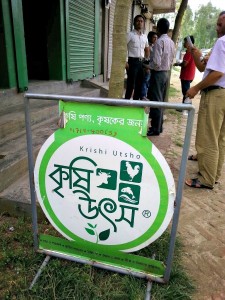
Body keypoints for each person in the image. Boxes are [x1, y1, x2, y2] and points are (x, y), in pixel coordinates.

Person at [185, 11, 225, 189]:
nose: (217, 29)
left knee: (208, 137)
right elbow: (204, 67)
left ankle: (206, 179)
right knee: (219, 139)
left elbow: (217, 73)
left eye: (219, 25)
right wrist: (196, 54)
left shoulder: (222, 42)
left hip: (216, 94)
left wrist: (195, 88)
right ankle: (214, 175)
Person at [146, 18, 175, 136]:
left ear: (158, 28)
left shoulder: (159, 42)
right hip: (166, 73)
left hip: (158, 74)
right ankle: (159, 126)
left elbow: (156, 63)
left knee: (156, 101)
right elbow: (171, 59)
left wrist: (146, 65)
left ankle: (155, 128)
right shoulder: (171, 42)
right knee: (161, 101)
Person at [125, 15, 150, 100]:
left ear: (143, 24)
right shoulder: (130, 35)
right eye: (138, 21)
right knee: (130, 84)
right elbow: (123, 47)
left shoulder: (144, 36)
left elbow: (147, 49)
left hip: (141, 63)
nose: (140, 22)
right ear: (134, 23)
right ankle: (126, 102)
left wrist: (147, 62)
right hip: (132, 62)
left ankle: (135, 103)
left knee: (139, 84)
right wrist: (125, 61)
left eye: (141, 21)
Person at [174, 36, 196, 105]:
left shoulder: (189, 52)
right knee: (185, 92)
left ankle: (187, 106)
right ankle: (184, 106)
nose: (184, 43)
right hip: (189, 75)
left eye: (185, 42)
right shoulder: (192, 51)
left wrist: (178, 64)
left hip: (186, 76)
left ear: (189, 43)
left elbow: (185, 64)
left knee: (186, 92)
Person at [140, 31, 158, 100]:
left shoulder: (154, 46)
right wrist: (147, 67)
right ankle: (143, 96)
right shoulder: (147, 46)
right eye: (154, 37)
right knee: (145, 81)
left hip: (151, 67)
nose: (155, 39)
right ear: (149, 37)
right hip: (146, 67)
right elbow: (146, 58)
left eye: (156, 38)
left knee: (147, 82)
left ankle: (145, 96)